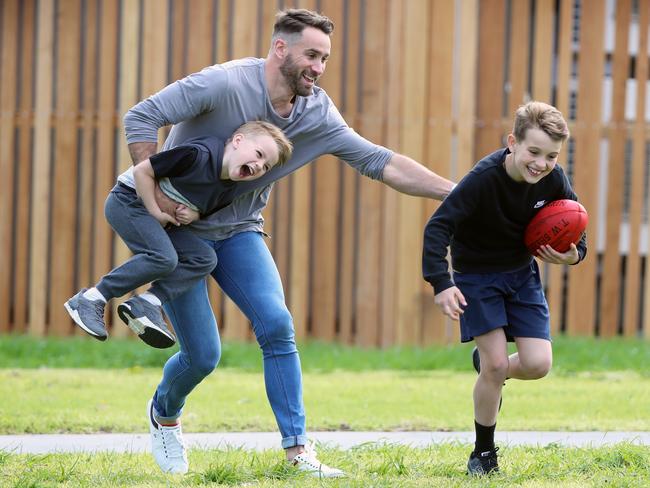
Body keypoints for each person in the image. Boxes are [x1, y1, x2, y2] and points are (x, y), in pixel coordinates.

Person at [124, 8, 455, 477]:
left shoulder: (316, 113)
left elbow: (381, 162)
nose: (319, 68)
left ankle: (298, 453)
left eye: (325, 59)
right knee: (203, 356)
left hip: (240, 231)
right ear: (280, 48)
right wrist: (154, 194)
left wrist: (455, 191)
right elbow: (142, 117)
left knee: (277, 325)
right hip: (180, 232)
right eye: (312, 56)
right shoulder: (224, 84)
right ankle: (164, 413)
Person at [422, 101, 587, 475]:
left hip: (520, 274)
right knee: (496, 364)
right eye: (533, 152)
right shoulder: (482, 179)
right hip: (477, 277)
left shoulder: (554, 178)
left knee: (538, 364)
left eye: (551, 156)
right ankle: (483, 454)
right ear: (512, 142)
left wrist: (574, 255)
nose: (541, 164)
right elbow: (438, 227)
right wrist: (441, 283)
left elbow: (575, 217)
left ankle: (490, 371)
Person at [65, 121, 292, 349]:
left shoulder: (227, 190)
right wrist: (155, 211)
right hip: (129, 202)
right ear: (238, 140)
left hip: (163, 220)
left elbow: (201, 211)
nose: (259, 165)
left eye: (266, 166)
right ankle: (90, 298)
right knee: (164, 258)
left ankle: (148, 303)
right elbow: (142, 170)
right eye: (259, 154)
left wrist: (193, 215)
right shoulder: (196, 155)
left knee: (204, 258)